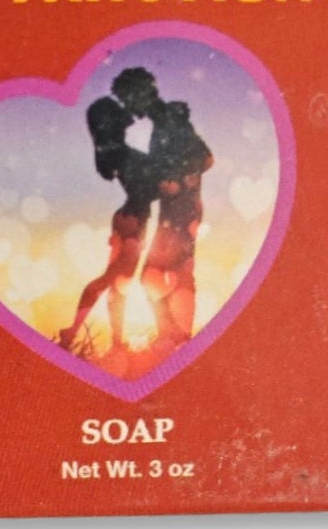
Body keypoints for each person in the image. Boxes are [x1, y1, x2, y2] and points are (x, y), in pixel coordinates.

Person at [110, 68, 214, 355]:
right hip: (174, 211)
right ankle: (173, 337)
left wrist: (181, 179)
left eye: (128, 98)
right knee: (159, 274)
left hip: (183, 210)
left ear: (141, 93)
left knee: (168, 272)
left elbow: (205, 157)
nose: (128, 106)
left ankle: (178, 340)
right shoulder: (162, 122)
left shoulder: (171, 118)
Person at [56, 94, 157, 355]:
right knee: (112, 280)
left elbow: (126, 121)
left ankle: (114, 341)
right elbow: (151, 188)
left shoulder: (113, 153)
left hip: (127, 218)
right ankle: (73, 332)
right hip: (134, 220)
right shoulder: (123, 155)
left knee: (117, 283)